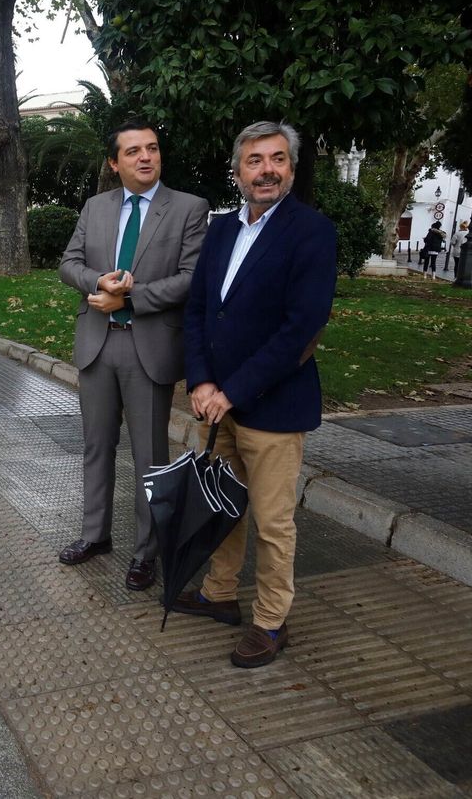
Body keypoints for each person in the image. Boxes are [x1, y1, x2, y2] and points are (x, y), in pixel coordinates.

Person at [176, 121, 337, 668]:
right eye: (254, 161)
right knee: (222, 507)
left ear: (291, 167)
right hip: (214, 402)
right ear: (238, 171)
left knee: (272, 521)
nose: (266, 169)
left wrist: (233, 391)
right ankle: (220, 594)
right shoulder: (221, 230)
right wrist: (199, 380)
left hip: (271, 406)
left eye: (277, 159)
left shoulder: (311, 232)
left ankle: (270, 620)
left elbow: (301, 329)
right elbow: (198, 309)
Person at [57, 119, 209, 591]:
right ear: (114, 162)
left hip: (150, 347)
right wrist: (97, 282)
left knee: (150, 456)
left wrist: (131, 297)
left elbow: (191, 277)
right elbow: (69, 263)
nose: (145, 157)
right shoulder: (95, 207)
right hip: (97, 344)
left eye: (153, 149)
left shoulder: (188, 208)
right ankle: (94, 535)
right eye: (133, 152)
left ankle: (148, 552)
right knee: (96, 446)